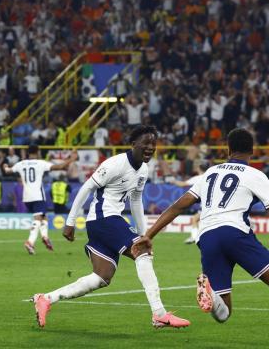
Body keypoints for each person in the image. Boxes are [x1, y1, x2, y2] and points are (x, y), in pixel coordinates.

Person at [132, 128, 269, 349]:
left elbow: (178, 206)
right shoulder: (256, 176)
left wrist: (149, 234)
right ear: (252, 150)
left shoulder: (210, 173)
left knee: (223, 313)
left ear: (228, 149)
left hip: (207, 238)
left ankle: (212, 296)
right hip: (235, 233)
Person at [31, 125, 189, 329]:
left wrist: (144, 234)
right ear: (133, 144)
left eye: (154, 144)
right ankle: (159, 314)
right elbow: (87, 187)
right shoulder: (115, 164)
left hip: (106, 222)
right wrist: (70, 222)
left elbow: (136, 201)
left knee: (101, 277)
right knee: (143, 254)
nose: (150, 147)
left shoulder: (143, 169)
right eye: (146, 143)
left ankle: (46, 299)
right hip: (103, 218)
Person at [3, 145, 77, 254]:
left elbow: (7, 171)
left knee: (43, 217)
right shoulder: (40, 163)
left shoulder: (21, 164)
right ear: (37, 152)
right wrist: (72, 159)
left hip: (26, 197)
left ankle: (45, 237)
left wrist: (5, 166)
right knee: (38, 219)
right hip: (37, 195)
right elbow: (59, 167)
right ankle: (30, 242)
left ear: (28, 153)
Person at [168, 163, 209, 244]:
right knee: (197, 220)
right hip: (211, 203)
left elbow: (182, 184)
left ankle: (194, 238)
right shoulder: (211, 175)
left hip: (205, 204)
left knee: (195, 219)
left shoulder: (198, 178)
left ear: (199, 169)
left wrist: (173, 180)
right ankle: (196, 237)